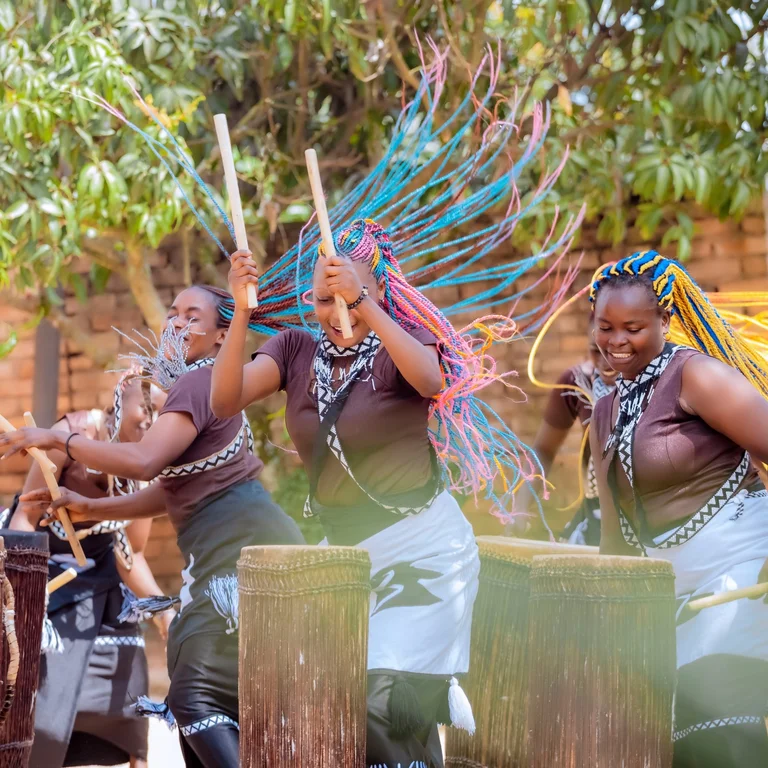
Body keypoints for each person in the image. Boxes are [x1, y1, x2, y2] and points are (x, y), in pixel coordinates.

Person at [208, 220, 503, 768]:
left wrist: (364, 303)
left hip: (424, 552)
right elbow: (223, 402)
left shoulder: (403, 344)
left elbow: (431, 381)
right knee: (349, 707)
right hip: (348, 561)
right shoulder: (295, 350)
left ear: (378, 290)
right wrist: (242, 312)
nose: (336, 312)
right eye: (324, 300)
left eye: (347, 297)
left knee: (380, 699)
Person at [3, 284, 305, 768]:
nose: (177, 323)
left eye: (193, 316)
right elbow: (173, 490)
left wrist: (58, 439)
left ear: (222, 335)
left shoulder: (199, 384)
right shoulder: (203, 388)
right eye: (173, 313)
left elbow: (145, 461)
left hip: (240, 553)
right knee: (216, 699)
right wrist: (92, 508)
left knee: (195, 696)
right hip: (242, 549)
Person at [588, 251, 768, 767]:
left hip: (743, 569)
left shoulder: (695, 376)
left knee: (717, 722)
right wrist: (607, 615)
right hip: (674, 591)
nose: (617, 341)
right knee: (681, 737)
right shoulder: (605, 410)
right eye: (605, 327)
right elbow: (615, 536)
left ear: (664, 321)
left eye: (633, 328)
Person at [4, 373, 169, 768]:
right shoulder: (72, 433)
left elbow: (132, 555)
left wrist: (165, 616)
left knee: (128, 674)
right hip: (41, 564)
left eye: (161, 414)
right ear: (122, 393)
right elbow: (25, 518)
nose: (150, 420)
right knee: (43, 677)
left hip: (100, 574)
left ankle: (131, 754)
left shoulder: (149, 466)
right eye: (145, 407)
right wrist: (25, 593)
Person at [514, 319, 617, 544]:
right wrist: (520, 508)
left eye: (613, 349)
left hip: (648, 516)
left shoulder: (657, 381)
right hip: (597, 513)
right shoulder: (577, 382)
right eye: (595, 350)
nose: (605, 360)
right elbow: (543, 450)